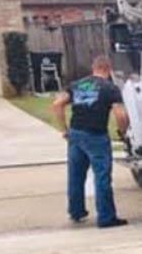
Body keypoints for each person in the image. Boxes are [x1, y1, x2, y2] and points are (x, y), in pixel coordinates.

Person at [53, 56, 130, 228]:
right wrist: (123, 132)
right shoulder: (110, 88)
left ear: (93, 68)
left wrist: (64, 130)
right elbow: (120, 114)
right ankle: (106, 217)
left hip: (76, 133)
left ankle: (76, 211)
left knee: (76, 175)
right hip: (96, 135)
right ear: (108, 69)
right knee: (102, 176)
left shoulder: (77, 85)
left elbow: (57, 104)